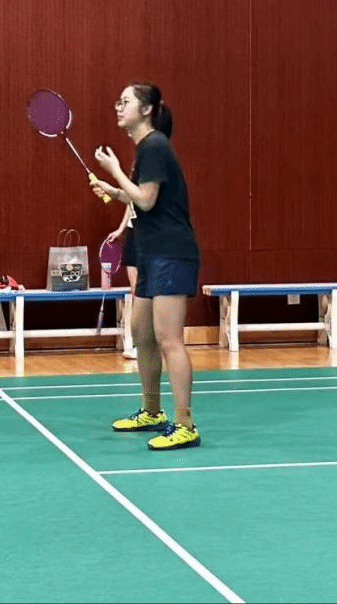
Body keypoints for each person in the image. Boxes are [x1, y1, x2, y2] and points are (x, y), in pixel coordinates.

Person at [92, 82, 201, 451]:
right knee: (142, 334)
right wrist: (114, 190)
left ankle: (185, 424)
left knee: (170, 339)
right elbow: (140, 199)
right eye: (118, 101)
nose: (118, 106)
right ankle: (152, 411)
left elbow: (148, 200)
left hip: (172, 252)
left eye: (125, 101)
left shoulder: (154, 146)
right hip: (151, 254)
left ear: (147, 109)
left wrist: (115, 171)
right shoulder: (146, 150)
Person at [104, 110, 174, 362]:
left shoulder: (159, 160)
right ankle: (137, 343)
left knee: (151, 292)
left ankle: (157, 341)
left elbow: (147, 200)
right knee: (137, 291)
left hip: (153, 235)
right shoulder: (141, 161)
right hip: (135, 233)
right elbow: (133, 200)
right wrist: (121, 228)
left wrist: (115, 174)